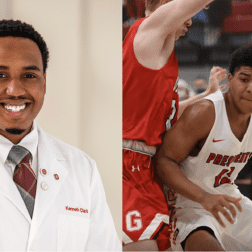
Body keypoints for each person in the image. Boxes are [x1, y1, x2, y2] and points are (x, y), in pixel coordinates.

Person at [0, 19, 121, 251]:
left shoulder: (82, 168)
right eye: (1, 75)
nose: (14, 90)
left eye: (29, 76)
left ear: (44, 82)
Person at [122, 0, 229, 251]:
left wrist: (206, 95)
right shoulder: (148, 31)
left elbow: (164, 114)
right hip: (127, 162)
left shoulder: (159, 55)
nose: (190, 21)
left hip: (145, 169)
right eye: (188, 13)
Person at [157, 45, 252, 251]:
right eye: (244, 79)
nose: (250, 88)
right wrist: (204, 198)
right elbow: (164, 161)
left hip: (229, 201)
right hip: (187, 206)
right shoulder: (205, 112)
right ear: (229, 79)